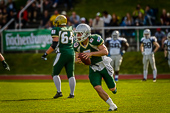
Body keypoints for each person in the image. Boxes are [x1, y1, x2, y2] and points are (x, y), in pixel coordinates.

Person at [73, 23, 117, 111]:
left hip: (103, 64)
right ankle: (112, 105)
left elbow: (105, 51)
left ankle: (114, 88)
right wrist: (78, 61)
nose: (77, 35)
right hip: (93, 68)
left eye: (79, 33)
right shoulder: (77, 45)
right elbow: (76, 59)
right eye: (77, 33)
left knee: (112, 88)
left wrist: (91, 54)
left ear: (85, 33)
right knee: (97, 87)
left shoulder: (94, 39)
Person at [41, 15, 76, 98]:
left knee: (55, 73)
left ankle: (59, 92)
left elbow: (54, 44)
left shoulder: (56, 29)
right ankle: (72, 94)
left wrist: (46, 53)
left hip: (62, 53)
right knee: (71, 74)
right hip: (71, 52)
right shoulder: (70, 29)